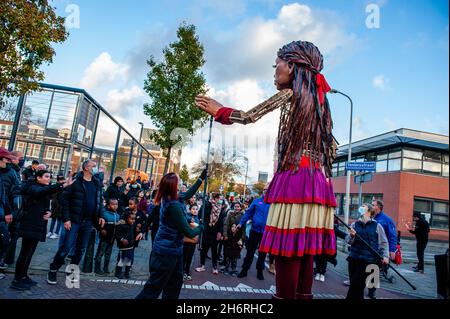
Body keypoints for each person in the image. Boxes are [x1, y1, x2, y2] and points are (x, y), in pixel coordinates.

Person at [195, 41, 337, 299]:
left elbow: (251, 116)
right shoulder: (321, 104)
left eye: (277, 64)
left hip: (295, 178)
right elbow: (332, 146)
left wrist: (221, 111)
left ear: (291, 66)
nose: (274, 71)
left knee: (286, 248)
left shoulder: (292, 94)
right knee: (306, 250)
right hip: (318, 182)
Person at [136, 173, 203, 299]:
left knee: (174, 285)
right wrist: (201, 227)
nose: (180, 184)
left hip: (175, 251)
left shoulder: (171, 196)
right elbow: (188, 232)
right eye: (178, 182)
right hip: (166, 252)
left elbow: (188, 194)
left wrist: (201, 178)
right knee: (153, 289)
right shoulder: (173, 206)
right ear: (173, 186)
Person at [10, 170, 73, 290]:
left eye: (50, 177)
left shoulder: (42, 188)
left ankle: (24, 276)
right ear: (38, 178)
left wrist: (49, 212)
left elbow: (47, 203)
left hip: (38, 224)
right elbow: (42, 192)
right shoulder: (32, 187)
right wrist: (61, 185)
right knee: (25, 252)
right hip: (29, 224)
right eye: (46, 177)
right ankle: (17, 279)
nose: (49, 179)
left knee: (30, 252)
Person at [47, 159, 105, 285]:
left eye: (95, 166)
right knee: (66, 247)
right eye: (93, 166)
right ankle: (53, 269)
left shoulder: (96, 183)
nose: (95, 168)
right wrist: (66, 219)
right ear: (85, 168)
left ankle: (71, 272)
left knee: (81, 249)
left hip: (88, 221)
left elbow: (99, 201)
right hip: (74, 220)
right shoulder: (76, 181)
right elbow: (64, 199)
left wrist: (101, 215)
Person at [345, 203, 389, 300]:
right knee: (356, 286)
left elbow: (384, 243)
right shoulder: (354, 224)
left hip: (368, 261)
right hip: (353, 259)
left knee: (356, 285)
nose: (361, 207)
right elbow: (348, 241)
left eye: (364, 206)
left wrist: (386, 256)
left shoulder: (377, 226)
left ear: (369, 210)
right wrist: (352, 236)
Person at [237, 185, 271, 280]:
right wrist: (241, 223)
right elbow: (248, 213)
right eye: (264, 189)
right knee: (250, 252)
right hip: (254, 231)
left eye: (267, 190)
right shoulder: (256, 201)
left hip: (266, 233)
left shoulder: (273, 204)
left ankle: (260, 271)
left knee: (262, 253)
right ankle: (244, 270)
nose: (265, 191)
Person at [368, 199, 397, 298]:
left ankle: (372, 292)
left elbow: (392, 236)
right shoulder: (369, 217)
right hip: (368, 249)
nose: (371, 206)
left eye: (373, 205)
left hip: (378, 250)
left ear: (379, 207)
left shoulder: (386, 220)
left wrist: (392, 250)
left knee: (374, 270)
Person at [0, 147, 21, 269]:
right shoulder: (11, 172)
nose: (8, 162)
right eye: (6, 159)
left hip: (4, 211)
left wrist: (9, 211)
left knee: (6, 239)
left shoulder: (10, 172)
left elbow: (5, 195)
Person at [195, 192, 223, 275]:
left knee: (214, 250)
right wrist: (201, 223)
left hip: (215, 231)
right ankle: (202, 265)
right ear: (214, 198)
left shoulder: (220, 207)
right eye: (218, 198)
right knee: (204, 249)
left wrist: (220, 232)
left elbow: (221, 220)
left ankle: (214, 266)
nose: (219, 200)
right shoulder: (206, 205)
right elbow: (200, 215)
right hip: (206, 230)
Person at [94, 198, 121, 275]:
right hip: (104, 238)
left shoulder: (118, 216)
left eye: (116, 204)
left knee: (108, 253)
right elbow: (99, 224)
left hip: (112, 238)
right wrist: (101, 229)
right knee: (100, 252)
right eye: (113, 204)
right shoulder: (104, 214)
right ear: (108, 206)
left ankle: (106, 268)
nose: (115, 206)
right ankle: (97, 268)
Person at [114, 210, 142, 279]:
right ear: (126, 218)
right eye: (131, 219)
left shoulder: (133, 225)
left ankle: (127, 273)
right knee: (122, 260)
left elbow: (135, 232)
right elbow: (117, 234)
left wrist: (138, 231)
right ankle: (118, 273)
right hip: (123, 247)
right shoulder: (121, 225)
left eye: (134, 219)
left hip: (131, 246)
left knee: (129, 260)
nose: (133, 221)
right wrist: (122, 239)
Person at [222, 202, 245, 275]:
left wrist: (242, 239)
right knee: (228, 253)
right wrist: (225, 234)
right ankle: (226, 268)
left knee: (235, 254)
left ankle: (233, 269)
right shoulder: (230, 214)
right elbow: (226, 224)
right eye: (235, 206)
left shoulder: (242, 216)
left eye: (238, 207)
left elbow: (244, 229)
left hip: (237, 238)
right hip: (229, 236)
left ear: (240, 207)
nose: (236, 208)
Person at [183, 203, 200, 281]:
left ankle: (187, 272)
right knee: (184, 257)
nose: (195, 210)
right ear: (190, 210)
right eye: (193, 209)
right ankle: (182, 272)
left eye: (196, 209)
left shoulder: (198, 218)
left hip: (193, 241)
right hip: (186, 240)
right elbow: (185, 218)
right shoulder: (187, 216)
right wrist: (190, 220)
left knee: (190, 257)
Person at [47, 174, 65, 239]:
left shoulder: (64, 187)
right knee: (53, 219)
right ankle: (50, 231)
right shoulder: (56, 186)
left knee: (59, 220)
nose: (60, 181)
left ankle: (56, 233)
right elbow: (52, 195)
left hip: (60, 206)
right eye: (59, 180)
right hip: (54, 205)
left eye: (61, 179)